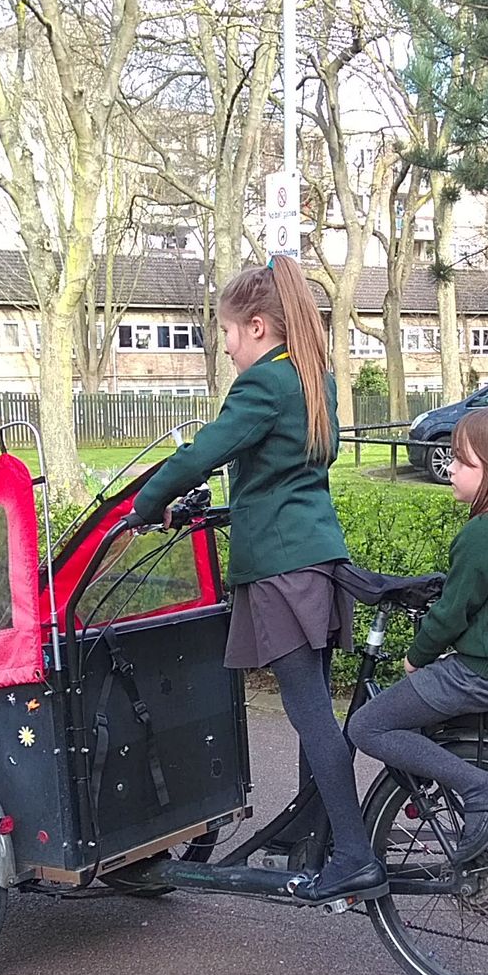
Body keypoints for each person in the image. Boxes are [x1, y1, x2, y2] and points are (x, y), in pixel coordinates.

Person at [128, 258, 382, 901]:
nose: (229, 346)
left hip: (280, 570)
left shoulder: (263, 385)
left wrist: (147, 505)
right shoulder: (311, 376)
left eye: (230, 334)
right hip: (320, 561)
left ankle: (352, 853)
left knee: (310, 717)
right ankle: (312, 836)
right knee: (315, 714)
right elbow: (281, 468)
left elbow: (204, 451)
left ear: (259, 326)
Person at [347, 406, 488, 864]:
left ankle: (480, 789)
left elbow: (453, 611)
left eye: (463, 461)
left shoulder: (487, 531)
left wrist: (417, 656)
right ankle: (463, 787)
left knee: (368, 724)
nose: (450, 469)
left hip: (483, 674)